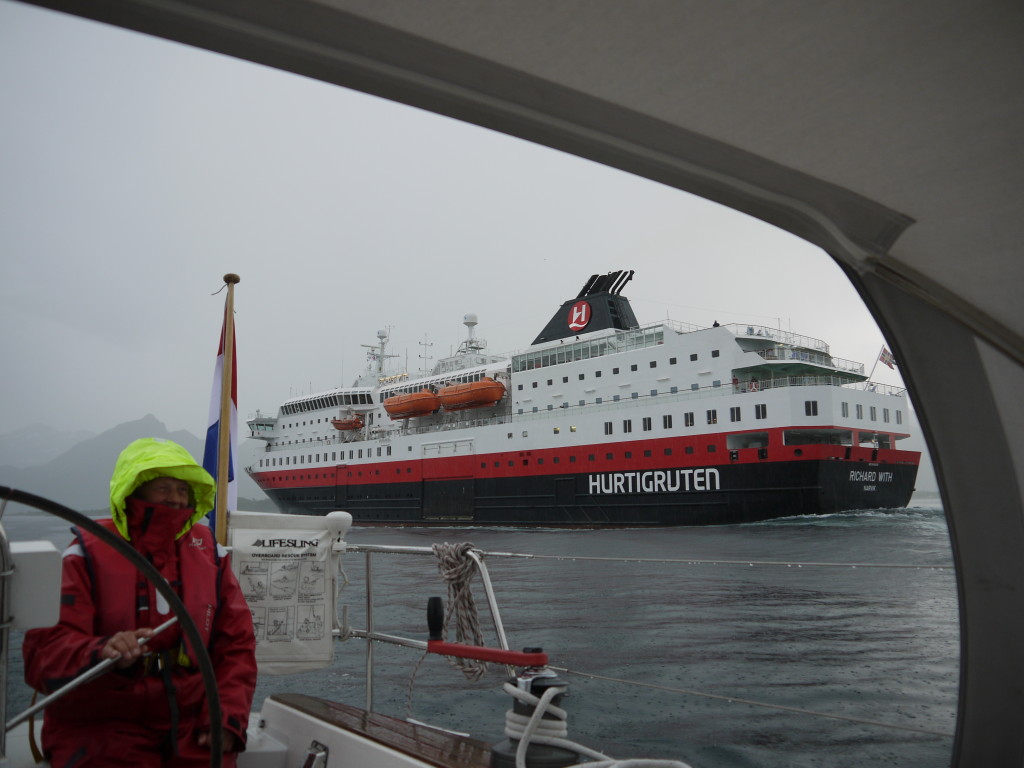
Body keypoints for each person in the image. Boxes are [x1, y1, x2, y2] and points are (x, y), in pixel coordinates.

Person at [23, 438, 257, 767]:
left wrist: (227, 717)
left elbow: (237, 645)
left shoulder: (211, 555)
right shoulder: (85, 555)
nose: (176, 499)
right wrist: (102, 651)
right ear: (133, 490)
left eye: (183, 489)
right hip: (99, 725)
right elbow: (42, 655)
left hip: (193, 724)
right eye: (164, 487)